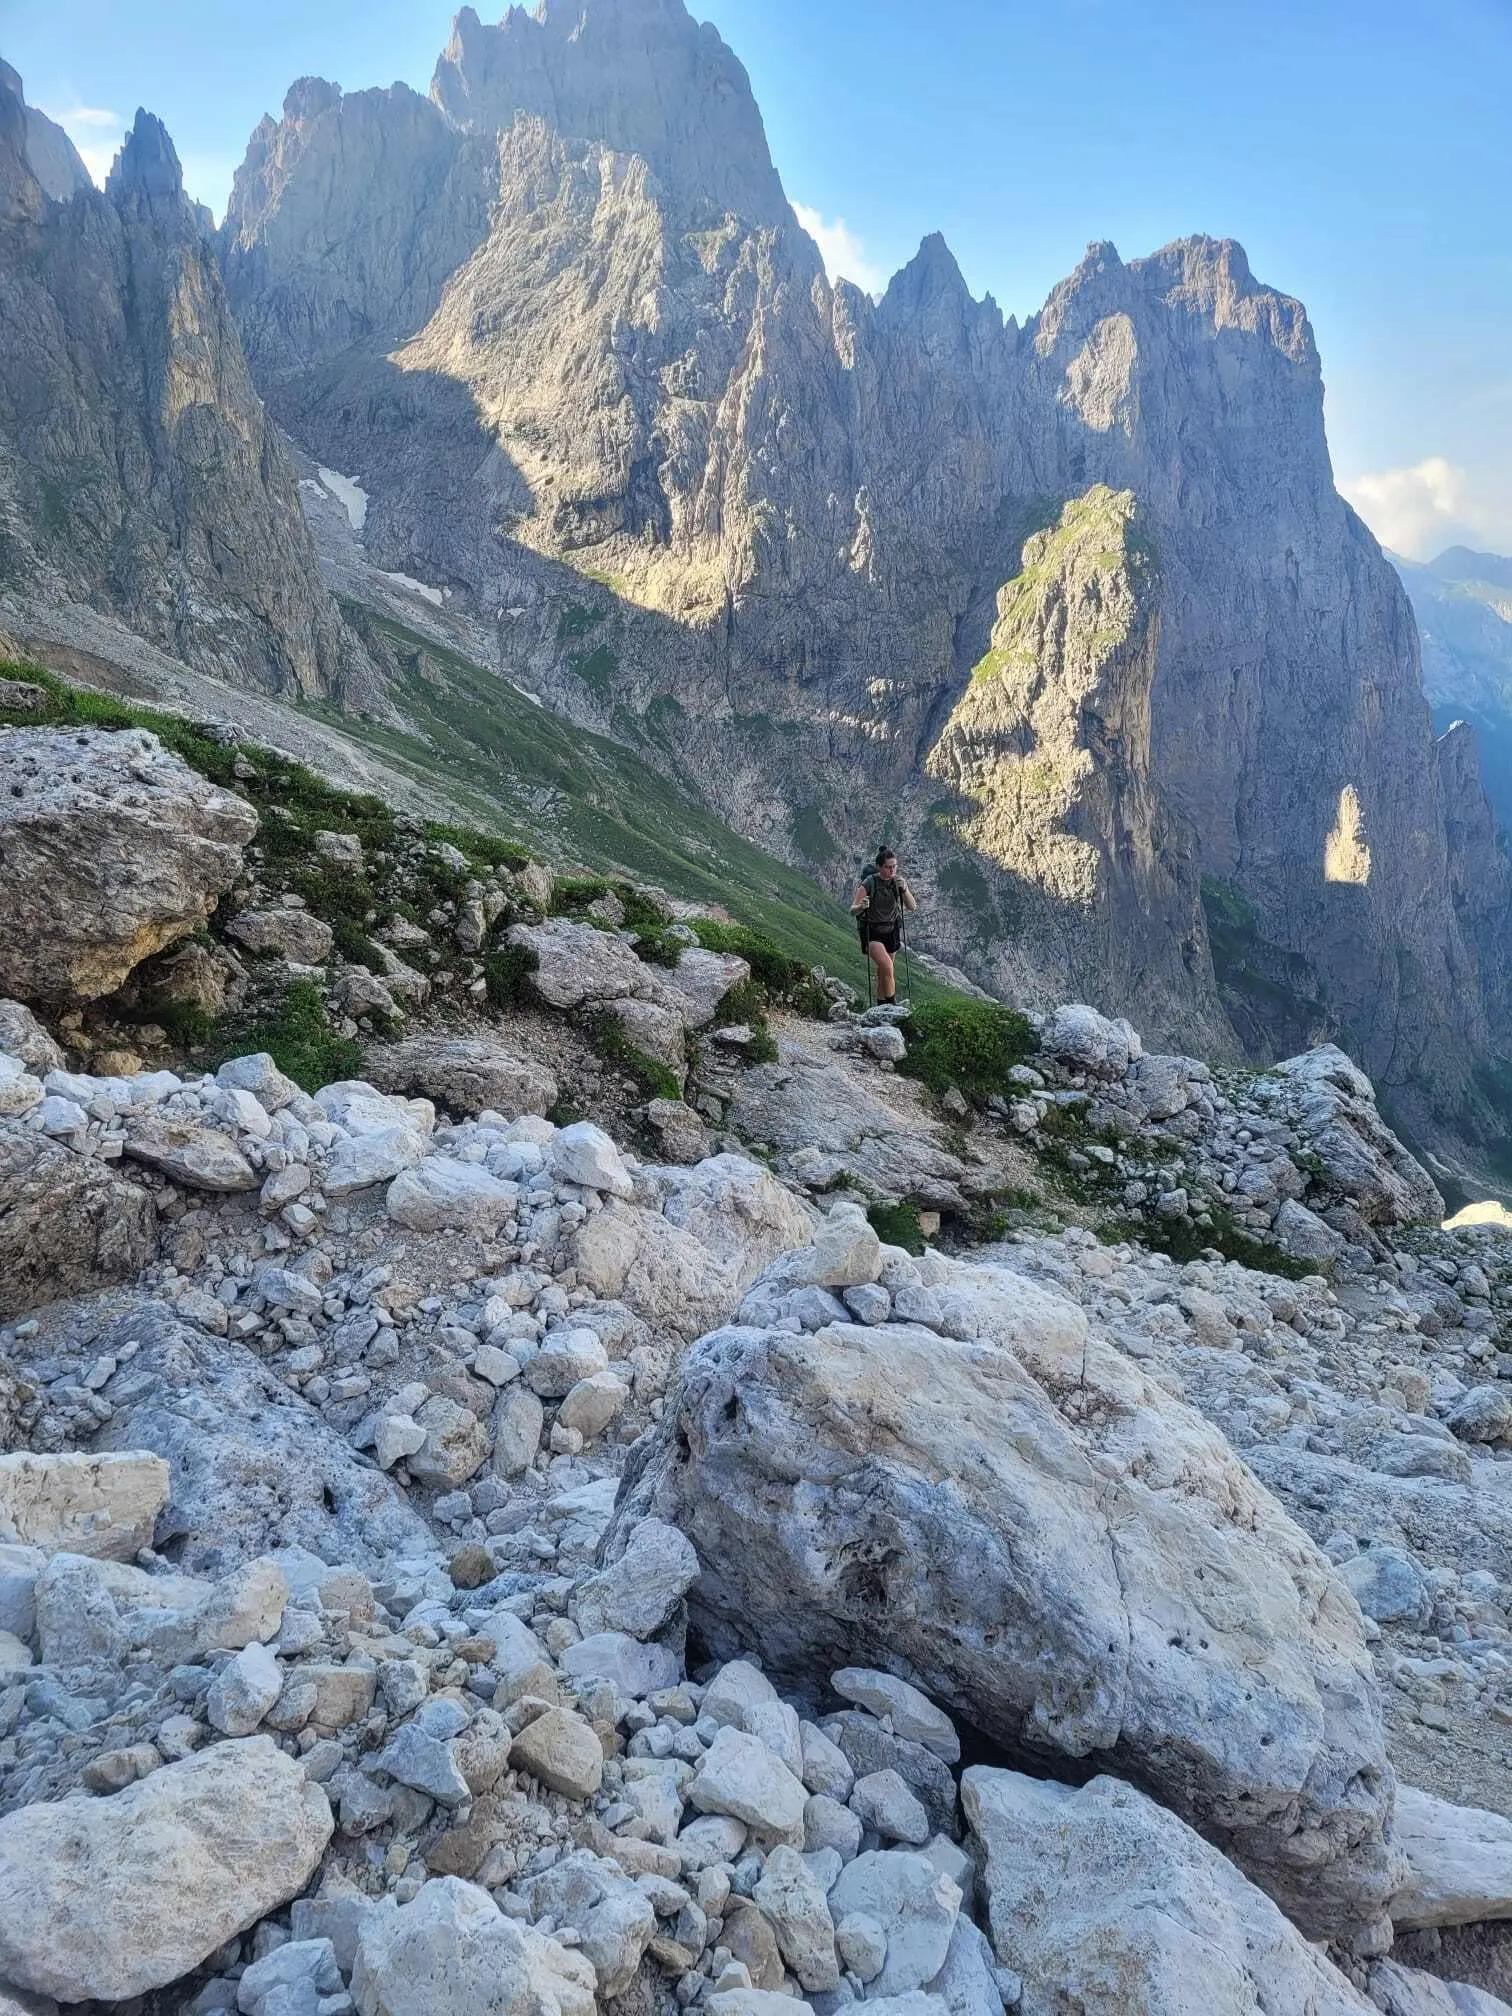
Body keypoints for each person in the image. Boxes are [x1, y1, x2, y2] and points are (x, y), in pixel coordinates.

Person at [851, 846, 917, 1005]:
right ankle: (892, 1006)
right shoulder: (869, 883)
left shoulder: (898, 883)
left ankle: (881, 1007)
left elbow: (912, 906)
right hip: (873, 931)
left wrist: (905, 889)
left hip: (892, 930)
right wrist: (862, 907)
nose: (892, 870)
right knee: (887, 967)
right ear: (879, 867)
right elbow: (853, 910)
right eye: (888, 867)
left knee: (883, 972)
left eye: (894, 866)